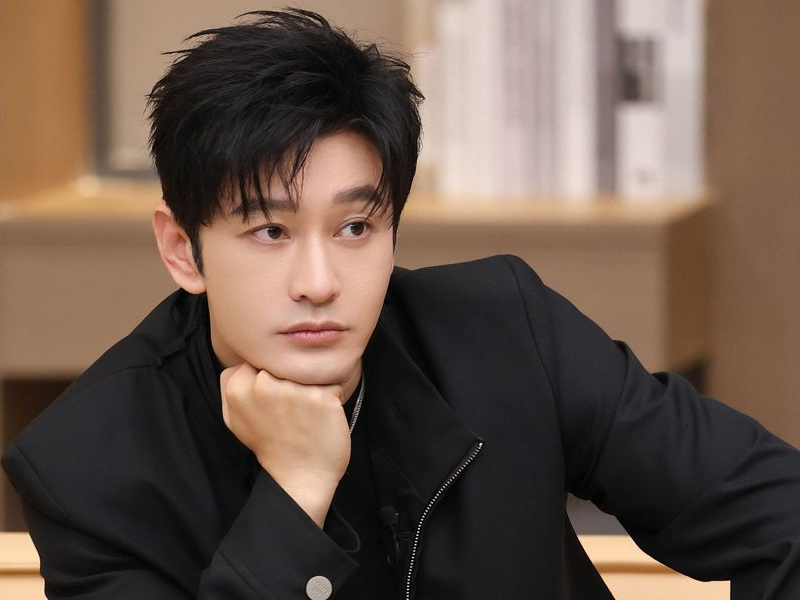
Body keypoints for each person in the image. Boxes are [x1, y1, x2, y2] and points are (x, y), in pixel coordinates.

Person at [3, 8, 800, 600]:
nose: (319, 281)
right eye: (271, 230)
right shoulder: (87, 470)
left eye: (355, 227)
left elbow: (780, 516)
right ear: (182, 248)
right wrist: (295, 494)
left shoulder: (508, 332)